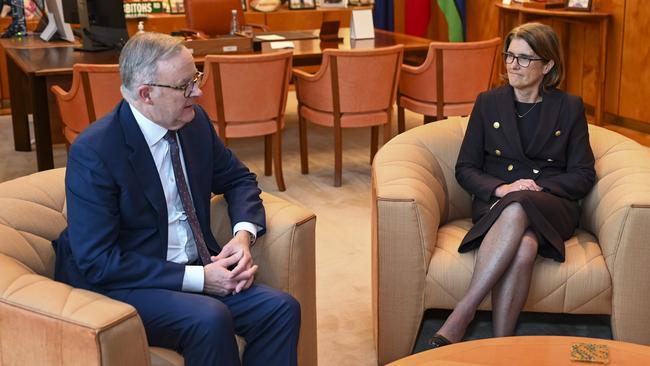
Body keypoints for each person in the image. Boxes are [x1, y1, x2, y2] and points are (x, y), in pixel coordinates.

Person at [52, 32, 300, 366]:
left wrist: (242, 238)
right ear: (146, 94)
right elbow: (99, 261)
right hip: (128, 283)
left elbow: (239, 178)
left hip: (197, 265)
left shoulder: (194, 125)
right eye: (185, 85)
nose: (197, 92)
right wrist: (201, 279)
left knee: (281, 309)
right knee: (209, 318)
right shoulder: (96, 152)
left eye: (196, 79)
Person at [428, 22, 596, 348]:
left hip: (550, 204)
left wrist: (536, 189)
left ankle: (463, 311)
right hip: (496, 202)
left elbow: (583, 174)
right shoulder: (488, 102)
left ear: (547, 65)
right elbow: (466, 168)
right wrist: (501, 189)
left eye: (524, 58)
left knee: (521, 203)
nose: (512, 65)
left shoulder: (569, 107)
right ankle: (501, 347)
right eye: (509, 56)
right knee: (525, 248)